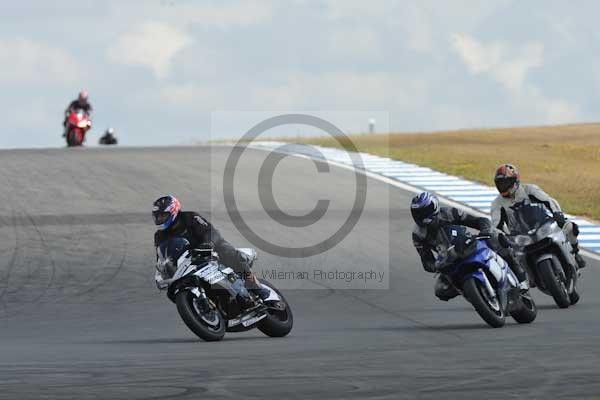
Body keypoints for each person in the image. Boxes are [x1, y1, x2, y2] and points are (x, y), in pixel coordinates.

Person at [411, 192, 529, 301]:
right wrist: (437, 265)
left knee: (497, 236)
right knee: (440, 290)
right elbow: (426, 262)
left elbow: (479, 220)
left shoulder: (448, 213)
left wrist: (485, 231)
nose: (422, 216)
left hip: (466, 244)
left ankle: (520, 276)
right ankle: (471, 292)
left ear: (434, 207)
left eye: (425, 211)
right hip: (449, 260)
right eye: (418, 213)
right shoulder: (418, 235)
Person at [152, 195, 269, 302]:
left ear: (173, 211)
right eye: (157, 217)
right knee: (173, 289)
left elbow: (209, 231)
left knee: (228, 253)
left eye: (162, 216)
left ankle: (255, 285)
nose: (159, 219)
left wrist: (208, 243)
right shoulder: (159, 236)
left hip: (209, 248)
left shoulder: (190, 217)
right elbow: (162, 256)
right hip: (187, 261)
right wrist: (161, 272)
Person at [491, 164, 586, 269]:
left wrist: (557, 212)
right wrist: (500, 236)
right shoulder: (497, 203)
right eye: (500, 184)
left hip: (542, 224)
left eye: (506, 182)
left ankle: (576, 253)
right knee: (505, 253)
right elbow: (496, 224)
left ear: (515, 180)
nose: (503, 186)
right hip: (519, 235)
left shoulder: (529, 189)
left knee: (570, 227)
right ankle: (521, 280)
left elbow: (548, 200)